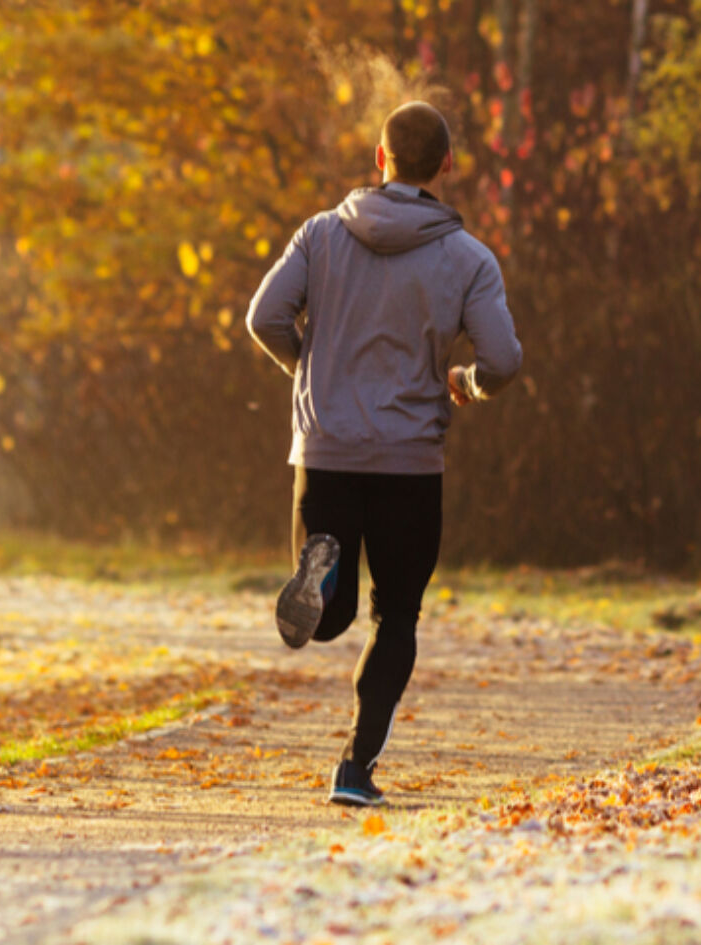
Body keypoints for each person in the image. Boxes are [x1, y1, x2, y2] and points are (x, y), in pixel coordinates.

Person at [245, 100, 522, 807]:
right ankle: (354, 766)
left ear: (379, 157)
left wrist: (305, 368)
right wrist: (468, 382)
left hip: (327, 449)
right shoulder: (469, 259)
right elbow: (504, 359)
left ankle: (322, 575)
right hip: (408, 462)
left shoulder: (320, 235)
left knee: (329, 616)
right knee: (396, 615)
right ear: (448, 165)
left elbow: (264, 316)